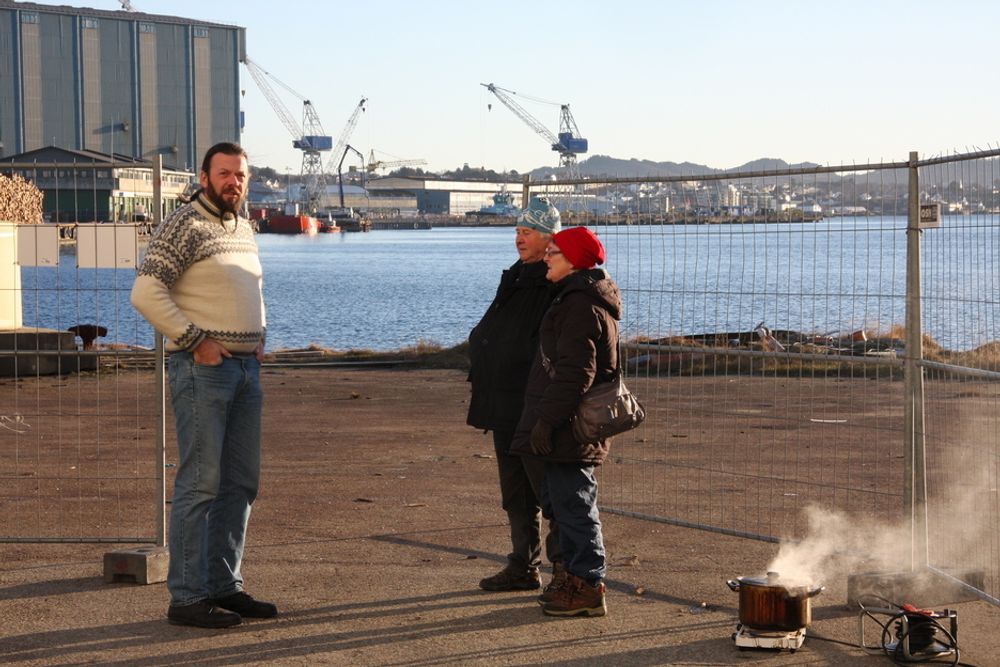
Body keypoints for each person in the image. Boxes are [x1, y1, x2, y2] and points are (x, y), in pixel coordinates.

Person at [131, 142, 276, 629]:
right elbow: (145, 292)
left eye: (240, 174)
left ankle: (224, 585)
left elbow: (252, 287)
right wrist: (196, 341)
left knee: (242, 482)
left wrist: (260, 335)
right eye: (225, 173)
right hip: (203, 371)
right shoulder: (184, 223)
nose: (234, 181)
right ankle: (187, 596)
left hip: (245, 371)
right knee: (201, 484)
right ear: (204, 175)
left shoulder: (243, 225)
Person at [510, 226, 621, 617]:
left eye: (553, 252)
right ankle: (573, 580)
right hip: (563, 425)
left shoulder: (580, 305)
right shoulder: (573, 298)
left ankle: (588, 585)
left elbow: (577, 373)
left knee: (575, 506)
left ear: (574, 260)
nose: (546, 257)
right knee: (563, 503)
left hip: (570, 428)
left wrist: (546, 421)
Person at [467, 196, 565, 595]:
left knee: (550, 491)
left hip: (531, 403)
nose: (519, 239)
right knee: (515, 492)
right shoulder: (516, 275)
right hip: (502, 401)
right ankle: (523, 564)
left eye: (527, 232)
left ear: (548, 238)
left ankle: (565, 574)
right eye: (517, 231)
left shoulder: (552, 280)